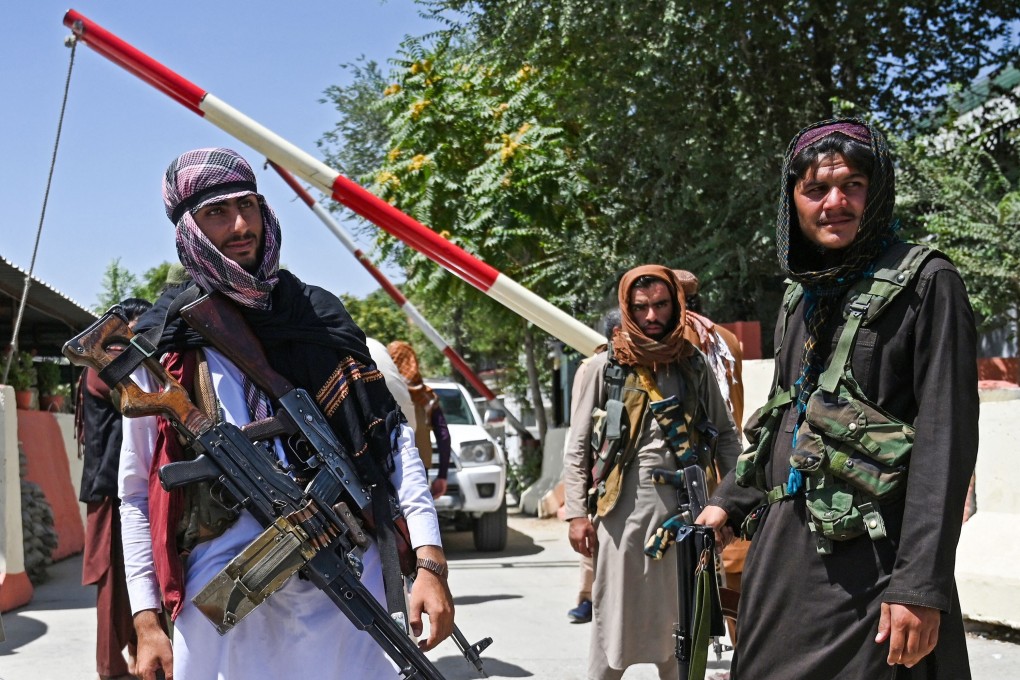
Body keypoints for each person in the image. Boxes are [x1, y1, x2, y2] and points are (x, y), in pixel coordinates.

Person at [118, 148, 454, 679]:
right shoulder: (163, 350)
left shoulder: (319, 319)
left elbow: (393, 447)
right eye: (216, 213)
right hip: (224, 608)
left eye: (248, 205)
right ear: (188, 229)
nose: (239, 225)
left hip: (341, 586)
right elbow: (136, 492)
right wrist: (145, 618)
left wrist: (431, 564)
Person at [698, 118, 979, 678]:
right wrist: (728, 501)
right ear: (793, 202)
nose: (835, 202)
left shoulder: (927, 282)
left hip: (874, 562)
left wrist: (920, 586)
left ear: (876, 193)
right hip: (786, 552)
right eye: (816, 189)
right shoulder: (801, 296)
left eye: (852, 184)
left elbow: (944, 443)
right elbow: (786, 417)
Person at [562, 266, 742, 679]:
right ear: (627, 308)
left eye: (661, 305)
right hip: (622, 513)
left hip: (687, 513)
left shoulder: (693, 364)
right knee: (613, 625)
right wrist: (575, 513)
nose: (651, 316)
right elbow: (576, 446)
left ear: (676, 305)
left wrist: (731, 501)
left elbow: (728, 438)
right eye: (641, 307)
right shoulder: (602, 368)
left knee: (681, 626)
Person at [76, 296, 152, 680]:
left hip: (114, 482)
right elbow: (132, 398)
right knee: (111, 579)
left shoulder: (107, 356)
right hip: (111, 486)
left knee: (133, 577)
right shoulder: (107, 358)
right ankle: (111, 668)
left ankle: (138, 658)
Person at [565, 309, 620, 625]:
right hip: (598, 469)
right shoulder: (596, 368)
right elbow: (580, 430)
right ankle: (588, 600)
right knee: (593, 545)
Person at [387, 340, 452, 499]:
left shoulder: (384, 390)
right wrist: (442, 475)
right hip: (418, 469)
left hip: (386, 467)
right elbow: (443, 436)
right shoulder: (427, 396)